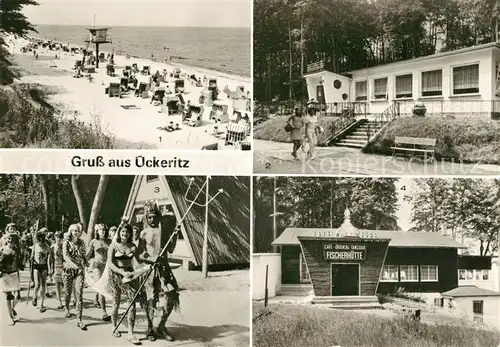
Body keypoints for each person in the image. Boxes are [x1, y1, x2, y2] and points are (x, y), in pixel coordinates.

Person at [138, 202, 180, 341]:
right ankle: (150, 328)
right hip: (150, 270)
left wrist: (174, 236)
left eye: (154, 217)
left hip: (164, 268)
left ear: (158, 217)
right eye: (149, 217)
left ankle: (161, 326)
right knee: (151, 299)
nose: (151, 220)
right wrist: (151, 258)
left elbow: (171, 249)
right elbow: (139, 254)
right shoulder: (143, 233)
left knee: (172, 295)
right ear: (146, 218)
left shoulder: (165, 232)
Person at [107, 224, 152, 345]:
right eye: (122, 232)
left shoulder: (132, 246)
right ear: (119, 233)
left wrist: (150, 259)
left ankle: (130, 332)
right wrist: (121, 272)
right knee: (116, 301)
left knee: (131, 302)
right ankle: (114, 325)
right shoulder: (113, 245)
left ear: (130, 234)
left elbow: (139, 259)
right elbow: (110, 264)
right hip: (116, 275)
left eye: (127, 232)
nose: (124, 234)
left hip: (130, 275)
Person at [63, 223, 88, 330]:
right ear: (70, 231)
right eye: (74, 231)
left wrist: (86, 262)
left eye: (78, 231)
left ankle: (79, 319)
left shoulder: (81, 242)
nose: (76, 232)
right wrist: (74, 266)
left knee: (79, 294)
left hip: (79, 271)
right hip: (68, 270)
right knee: (68, 292)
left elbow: (83, 255)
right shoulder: (66, 243)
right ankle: (67, 308)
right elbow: (66, 257)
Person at [86, 224, 111, 321]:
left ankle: (96, 299)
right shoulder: (93, 241)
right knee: (101, 288)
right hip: (97, 266)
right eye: (100, 230)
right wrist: (83, 260)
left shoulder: (109, 241)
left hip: (107, 266)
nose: (102, 231)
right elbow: (88, 254)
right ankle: (104, 312)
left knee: (106, 287)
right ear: (97, 231)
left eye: (104, 229)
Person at [0, 232, 23, 325]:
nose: (10, 241)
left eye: (12, 240)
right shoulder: (2, 250)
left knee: (18, 296)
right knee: (8, 296)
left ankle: (12, 309)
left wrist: (21, 264)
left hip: (14, 274)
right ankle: (10, 317)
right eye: (8, 239)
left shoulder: (17, 250)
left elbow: (20, 260)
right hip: (5, 274)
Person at [31, 231, 51, 312]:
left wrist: (50, 269)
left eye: (42, 241)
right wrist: (32, 259)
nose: (40, 242)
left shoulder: (47, 247)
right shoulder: (35, 246)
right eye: (38, 240)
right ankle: (34, 297)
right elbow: (32, 257)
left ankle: (41, 305)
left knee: (43, 287)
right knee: (37, 285)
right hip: (36, 266)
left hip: (44, 267)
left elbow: (50, 260)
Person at [49, 231, 65, 309]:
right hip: (56, 267)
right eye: (57, 237)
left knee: (63, 285)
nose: (59, 239)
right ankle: (59, 301)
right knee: (58, 284)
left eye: (60, 237)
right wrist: (50, 269)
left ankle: (55, 292)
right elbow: (50, 259)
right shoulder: (53, 247)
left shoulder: (65, 246)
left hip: (64, 268)